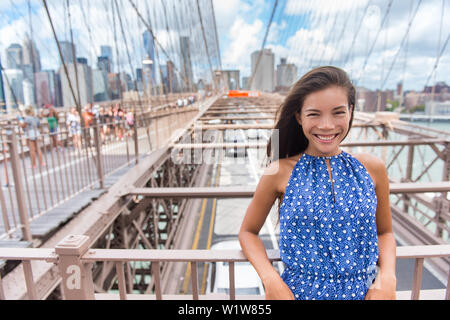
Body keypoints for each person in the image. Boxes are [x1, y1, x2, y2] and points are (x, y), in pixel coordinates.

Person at [238, 66, 396, 300]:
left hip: (364, 294)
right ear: (299, 116)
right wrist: (271, 280)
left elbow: (385, 232)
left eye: (338, 113)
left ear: (350, 111)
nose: (327, 125)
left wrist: (387, 278)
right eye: (314, 114)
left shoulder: (372, 169)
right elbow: (248, 232)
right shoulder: (279, 172)